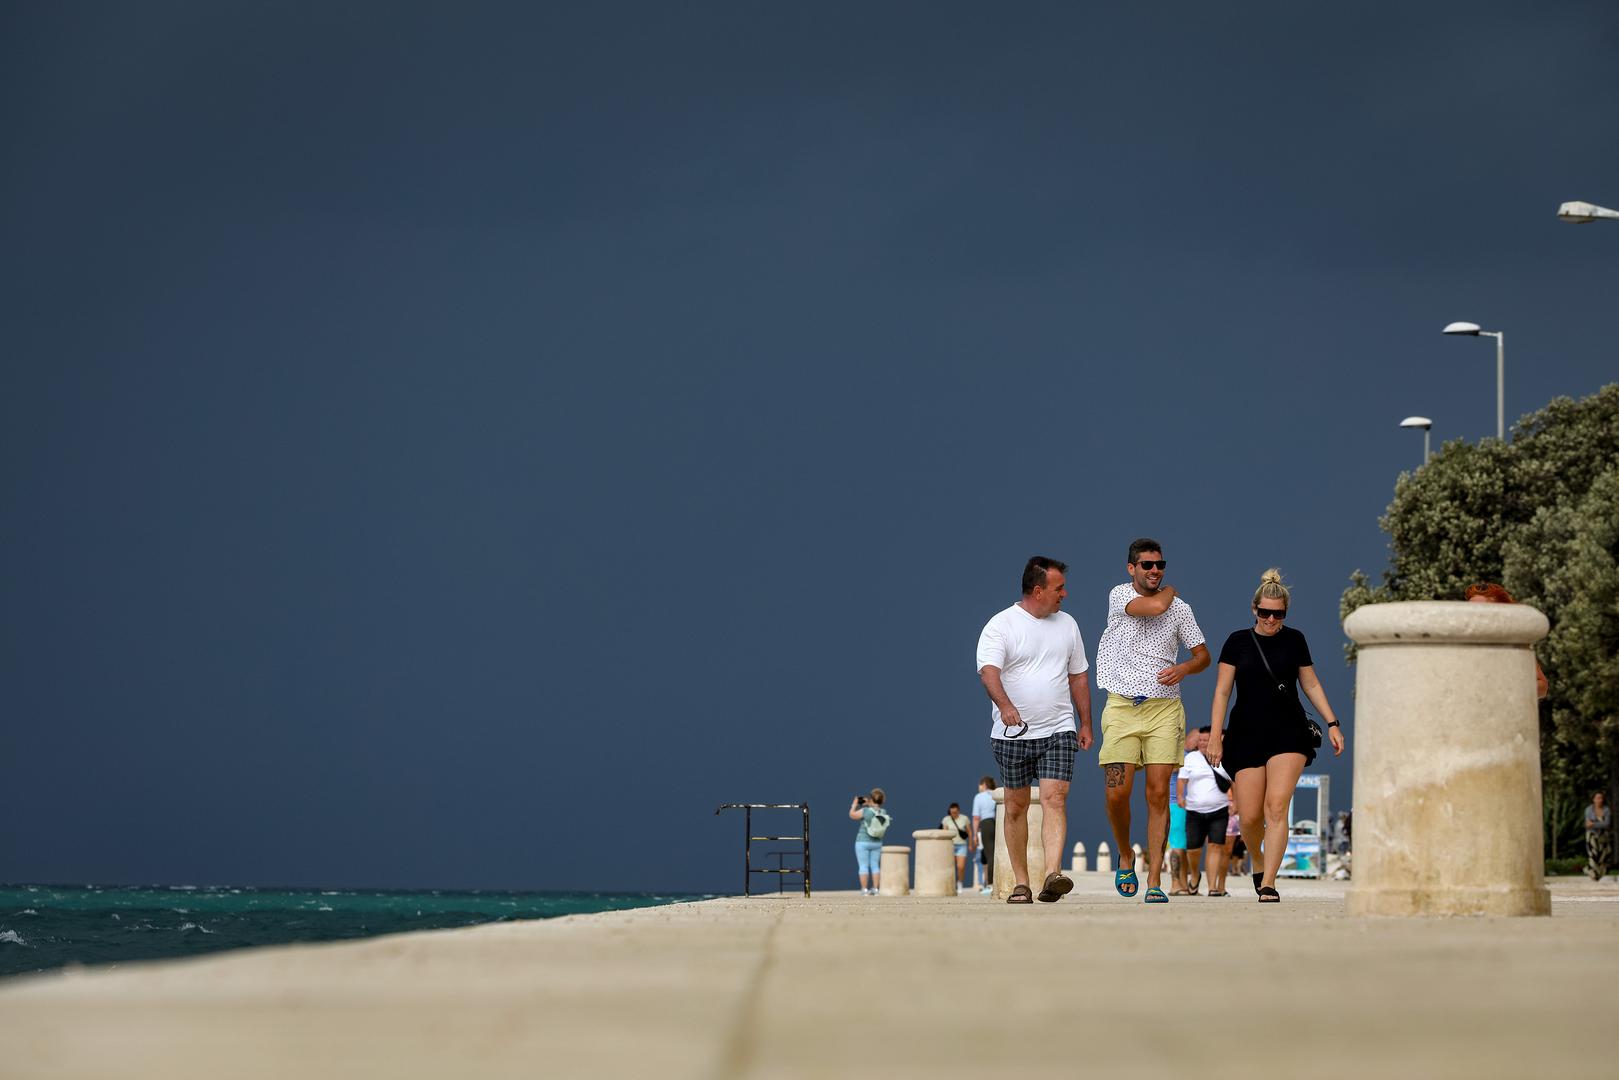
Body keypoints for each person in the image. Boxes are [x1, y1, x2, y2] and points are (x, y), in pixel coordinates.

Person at [1206, 569, 1345, 903]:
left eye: (1278, 614)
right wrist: (1215, 735)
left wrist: (1333, 722)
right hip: (1245, 732)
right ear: (1254, 609)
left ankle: (1268, 881)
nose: (1271, 619)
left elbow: (1310, 683)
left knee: (1277, 806)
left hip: (1288, 731)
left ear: (1286, 613)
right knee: (1251, 816)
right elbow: (1222, 692)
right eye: (1265, 612)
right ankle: (1258, 858)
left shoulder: (1295, 640)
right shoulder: (1237, 641)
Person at [1094, 538, 1210, 903]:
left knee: (1158, 793)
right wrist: (1171, 590)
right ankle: (1126, 854)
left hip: (1164, 709)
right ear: (1131, 568)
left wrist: (1186, 668)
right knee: (1117, 791)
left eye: (1160, 564)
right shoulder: (1119, 595)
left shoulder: (1183, 611)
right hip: (1122, 706)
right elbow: (1158, 605)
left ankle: (1156, 878)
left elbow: (1203, 655)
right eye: (1147, 565)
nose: (1155, 570)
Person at [976, 556, 1095, 904]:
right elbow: (989, 672)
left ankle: (1052, 875)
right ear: (1038, 590)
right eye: (1059, 588)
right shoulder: (1001, 625)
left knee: (1055, 799)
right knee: (1015, 806)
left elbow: (1079, 676)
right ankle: (1021, 883)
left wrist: (1084, 722)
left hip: (1059, 728)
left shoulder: (1068, 624)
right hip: (1012, 733)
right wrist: (1006, 706)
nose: (1065, 594)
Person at [1464, 583, 1549, 699]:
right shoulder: (1459, 644)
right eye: (1470, 610)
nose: (1475, 615)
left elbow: (1542, 686)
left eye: (1483, 610)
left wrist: (1511, 690)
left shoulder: (1513, 645)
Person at [1180, 726, 1231, 896]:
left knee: (1215, 846)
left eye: (1205, 740)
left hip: (1219, 809)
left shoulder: (1223, 756)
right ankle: (1195, 874)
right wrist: (1180, 796)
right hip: (1194, 811)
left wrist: (1236, 801)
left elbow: (1234, 780)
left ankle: (1212, 887)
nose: (1202, 743)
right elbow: (1182, 780)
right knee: (1193, 850)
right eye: (1200, 740)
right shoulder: (1191, 758)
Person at [1168, 729, 1196, 894]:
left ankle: (1184, 884)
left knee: (1185, 847)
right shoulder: (1177, 754)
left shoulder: (1192, 756)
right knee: (1177, 845)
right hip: (1176, 804)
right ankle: (1175, 884)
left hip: (1190, 806)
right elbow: (1170, 769)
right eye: (1198, 739)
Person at [849, 788, 890, 895]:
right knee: (875, 865)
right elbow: (875, 809)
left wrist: (854, 804)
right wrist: (869, 803)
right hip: (877, 842)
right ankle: (875, 889)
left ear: (871, 798)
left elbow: (852, 815)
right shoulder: (883, 812)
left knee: (863, 866)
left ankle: (864, 890)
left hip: (862, 842)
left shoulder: (865, 811)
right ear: (882, 800)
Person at [971, 776, 997, 894]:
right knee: (998, 852)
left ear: (984, 784)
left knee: (989, 854)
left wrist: (975, 835)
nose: (978, 787)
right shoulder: (996, 793)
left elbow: (976, 817)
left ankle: (991, 884)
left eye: (979, 785)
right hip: (998, 823)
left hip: (986, 824)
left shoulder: (979, 797)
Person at [942, 803, 972, 893]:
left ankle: (960, 883)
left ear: (958, 811)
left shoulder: (964, 818)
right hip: (950, 846)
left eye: (955, 812)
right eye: (951, 812)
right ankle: (950, 884)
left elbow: (969, 832)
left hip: (961, 845)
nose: (953, 814)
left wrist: (970, 844)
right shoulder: (946, 819)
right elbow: (944, 833)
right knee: (951, 866)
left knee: (960, 866)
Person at [1586, 792, 1611, 881]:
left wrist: (1594, 824)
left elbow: (1607, 824)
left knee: (1603, 855)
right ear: (1593, 799)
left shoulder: (1606, 810)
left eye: (1601, 798)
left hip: (1603, 836)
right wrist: (1599, 824)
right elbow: (1587, 824)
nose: (1599, 800)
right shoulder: (1589, 809)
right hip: (1592, 835)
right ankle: (1592, 873)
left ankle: (1601, 874)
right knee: (1593, 854)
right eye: (1597, 798)